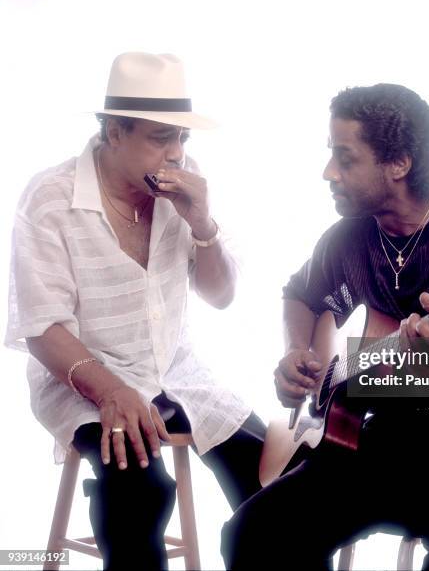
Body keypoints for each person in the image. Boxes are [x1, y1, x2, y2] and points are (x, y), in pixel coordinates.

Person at [221, 84, 429, 570]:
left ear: (398, 164)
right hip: (383, 441)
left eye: (345, 159)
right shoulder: (349, 238)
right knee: (253, 536)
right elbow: (301, 295)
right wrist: (295, 355)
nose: (328, 172)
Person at [5, 52, 265, 570]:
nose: (175, 154)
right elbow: (41, 327)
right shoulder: (51, 199)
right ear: (113, 133)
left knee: (266, 474)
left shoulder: (183, 185)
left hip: (176, 370)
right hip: (83, 380)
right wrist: (113, 390)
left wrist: (203, 225)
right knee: (139, 491)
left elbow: (221, 296)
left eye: (183, 138)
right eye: (160, 138)